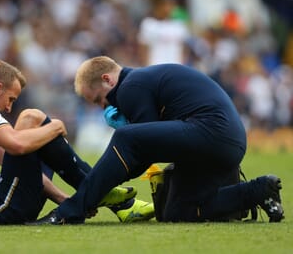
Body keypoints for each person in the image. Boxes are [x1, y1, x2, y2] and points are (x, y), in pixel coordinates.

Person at [37, 56, 284, 224]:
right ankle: (259, 191)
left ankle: (70, 212)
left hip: (212, 134)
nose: (106, 108)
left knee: (124, 136)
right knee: (177, 212)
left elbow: (141, 150)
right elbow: (142, 149)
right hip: (222, 142)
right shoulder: (142, 82)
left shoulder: (131, 86)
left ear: (107, 79)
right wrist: (104, 183)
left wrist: (99, 187)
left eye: (101, 99)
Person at [0, 60, 155, 226]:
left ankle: (103, 192)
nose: (9, 108)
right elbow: (17, 146)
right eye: (10, 99)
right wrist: (56, 126)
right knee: (31, 118)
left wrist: (65, 200)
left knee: (35, 132)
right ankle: (110, 195)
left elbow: (21, 166)